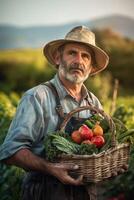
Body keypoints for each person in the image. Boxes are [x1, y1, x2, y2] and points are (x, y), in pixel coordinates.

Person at [0, 26, 109, 200]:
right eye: (72, 53)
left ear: (90, 66)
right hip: (45, 192)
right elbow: (11, 150)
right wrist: (50, 168)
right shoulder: (37, 97)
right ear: (58, 58)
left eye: (85, 56)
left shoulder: (93, 103)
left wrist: (109, 164)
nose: (78, 61)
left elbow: (103, 147)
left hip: (86, 193)